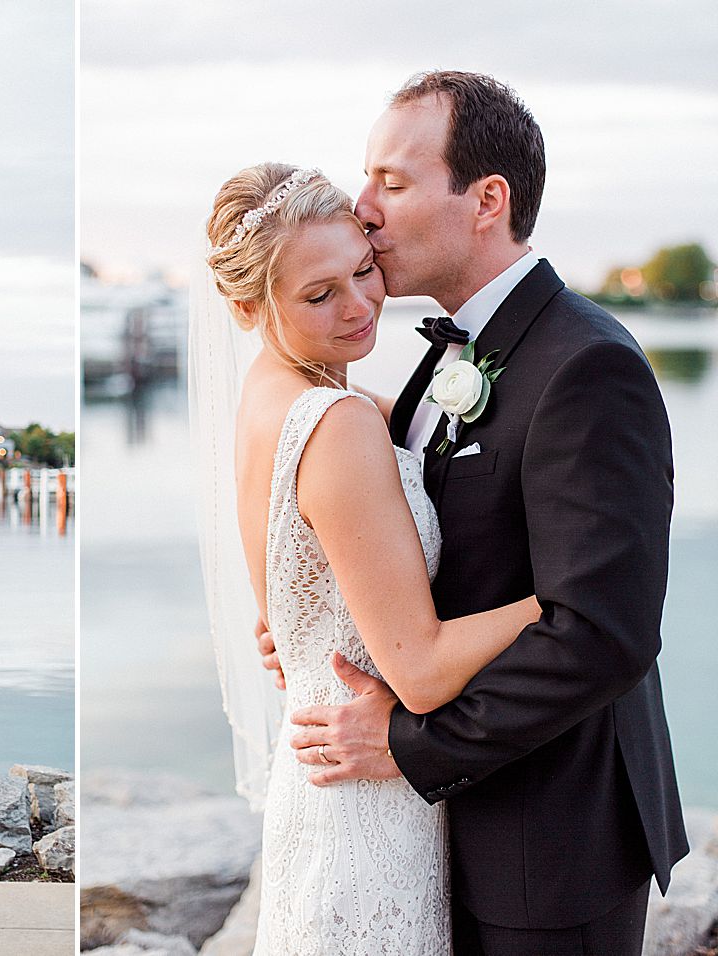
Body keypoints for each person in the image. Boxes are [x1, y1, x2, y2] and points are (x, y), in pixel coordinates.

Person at [257, 71, 687, 954]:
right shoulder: (436, 362)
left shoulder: (587, 367)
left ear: (487, 199)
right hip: (445, 832)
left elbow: (603, 631)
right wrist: (329, 618)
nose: (364, 208)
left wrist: (411, 742)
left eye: (394, 181)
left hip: (549, 845)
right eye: (366, 179)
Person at [195, 158, 544, 953]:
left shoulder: (268, 394)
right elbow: (417, 668)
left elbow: (419, 438)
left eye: (364, 270)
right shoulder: (338, 422)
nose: (359, 308)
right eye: (320, 295)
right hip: (367, 794)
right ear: (248, 306)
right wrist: (556, 599)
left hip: (318, 772)